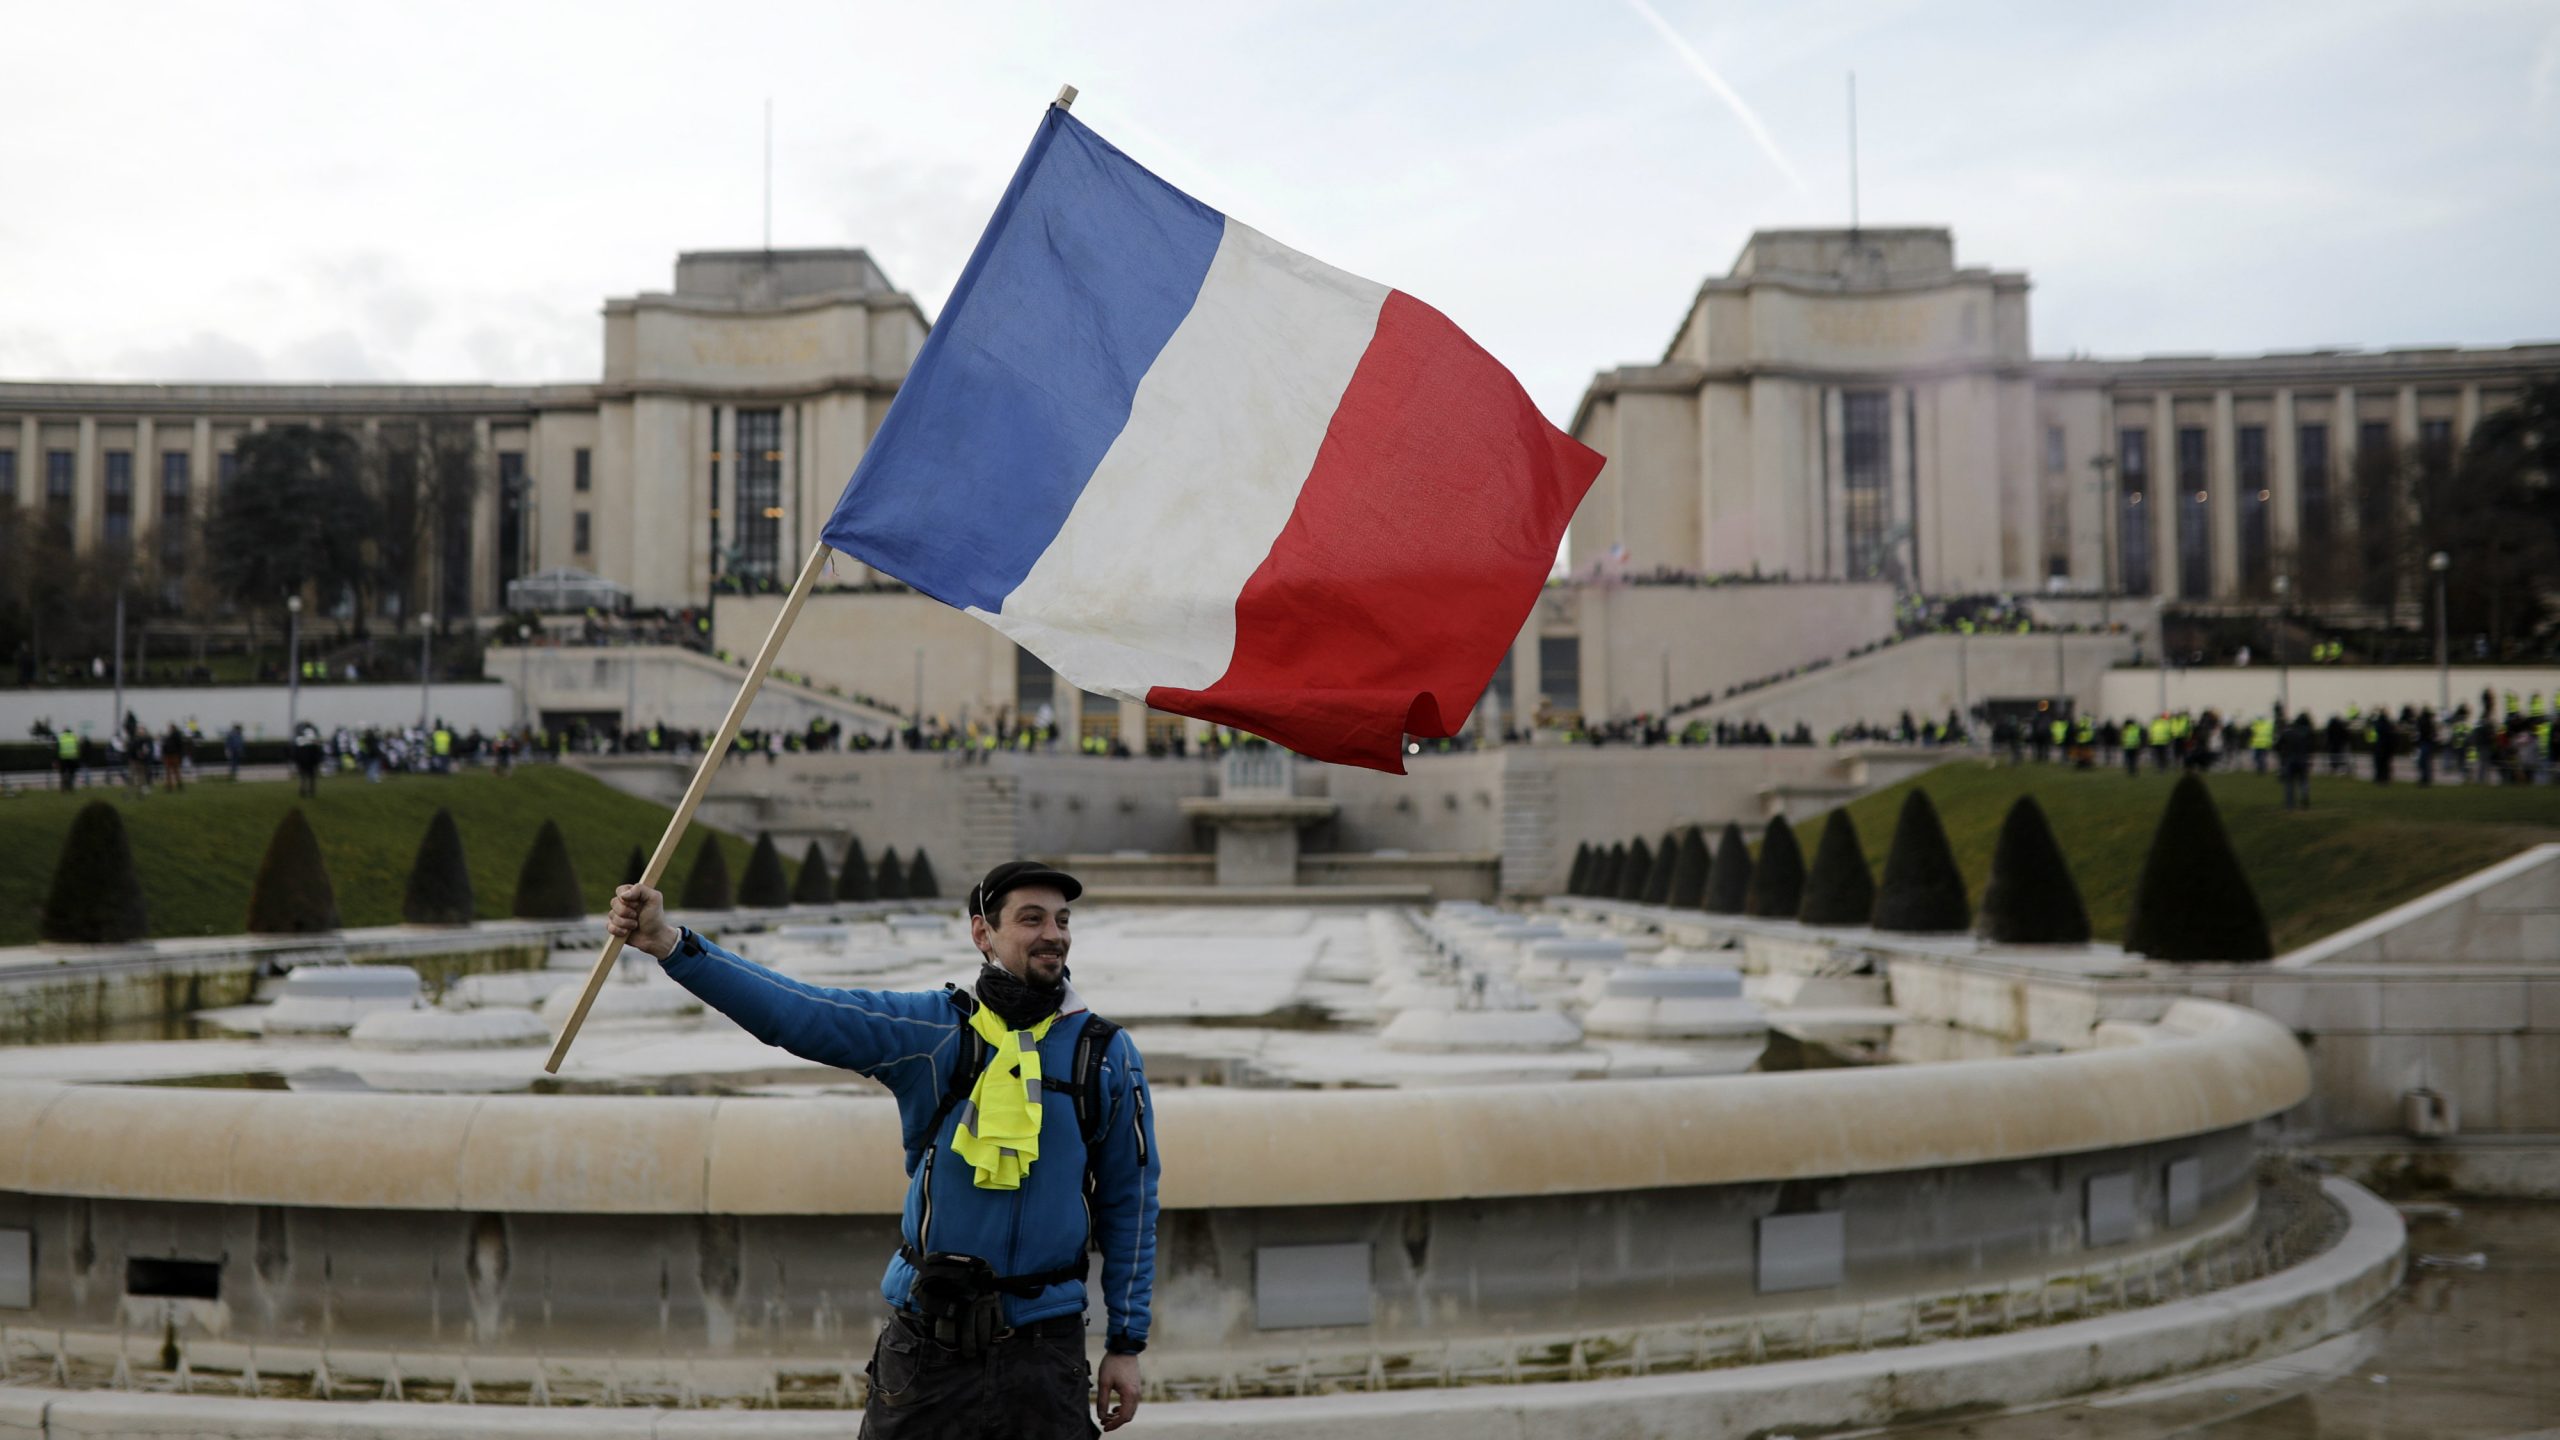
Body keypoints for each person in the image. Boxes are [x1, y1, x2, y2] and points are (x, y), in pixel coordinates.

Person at [605, 860, 1158, 1437]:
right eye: (1031, 919)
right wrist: (669, 944)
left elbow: (1131, 1202)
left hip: (1046, 1354)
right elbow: (799, 1012)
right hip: (927, 1351)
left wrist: (1126, 1342)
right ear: (983, 933)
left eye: (1063, 920)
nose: (1054, 934)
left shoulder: (1106, 1053)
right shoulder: (932, 1030)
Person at [2276, 711, 2313, 810]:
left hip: (2289, 760)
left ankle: (2290, 805)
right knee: (2303, 781)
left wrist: (2282, 754)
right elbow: (2310, 747)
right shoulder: (2304, 733)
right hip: (2302, 759)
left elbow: (2277, 745)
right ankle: (2304, 798)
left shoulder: (2286, 733)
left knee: (2289, 783)